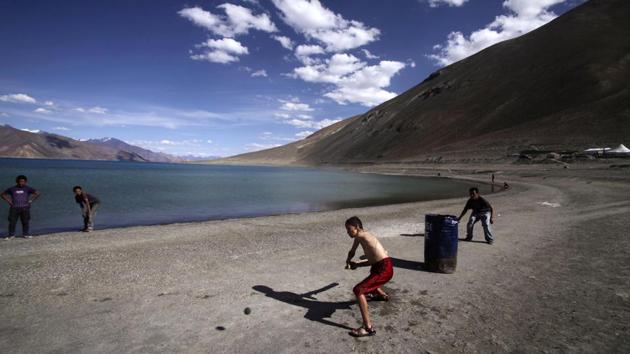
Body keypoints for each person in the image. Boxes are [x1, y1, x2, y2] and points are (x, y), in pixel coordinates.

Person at [344, 216, 393, 337]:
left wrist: (348, 260)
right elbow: (372, 260)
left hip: (384, 268)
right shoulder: (363, 236)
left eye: (349, 229)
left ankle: (368, 328)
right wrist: (355, 263)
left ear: (357, 227)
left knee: (358, 290)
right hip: (382, 266)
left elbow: (352, 251)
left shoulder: (360, 236)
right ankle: (382, 295)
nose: (347, 232)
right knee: (371, 279)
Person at [1, 175, 40, 239]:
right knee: (12, 222)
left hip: (25, 208)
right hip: (14, 208)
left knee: (25, 221)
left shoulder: (28, 188)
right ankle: (11, 235)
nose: (21, 183)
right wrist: (9, 202)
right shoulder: (12, 189)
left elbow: (38, 193)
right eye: (20, 181)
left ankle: (26, 234)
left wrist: (30, 200)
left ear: (25, 182)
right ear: (17, 181)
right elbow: (2, 194)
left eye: (23, 181)